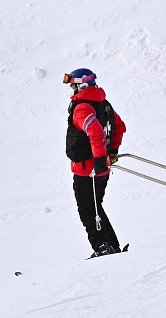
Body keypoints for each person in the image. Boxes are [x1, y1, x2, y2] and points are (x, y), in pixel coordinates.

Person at [64, 68, 127, 257]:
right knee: (95, 207)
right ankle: (111, 246)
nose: (72, 89)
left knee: (87, 210)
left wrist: (99, 160)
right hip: (101, 169)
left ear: (81, 85)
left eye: (73, 85)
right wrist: (112, 151)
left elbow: (96, 132)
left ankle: (102, 248)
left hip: (88, 170)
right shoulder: (103, 103)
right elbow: (119, 126)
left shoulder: (82, 107)